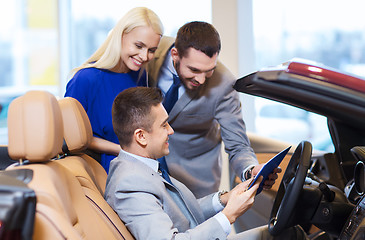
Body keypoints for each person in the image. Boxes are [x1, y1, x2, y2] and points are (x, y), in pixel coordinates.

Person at [105, 86, 307, 240]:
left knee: (290, 233)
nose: (171, 131)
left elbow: (182, 212)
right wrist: (228, 215)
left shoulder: (140, 167)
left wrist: (226, 198)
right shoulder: (130, 184)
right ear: (141, 136)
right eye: (164, 125)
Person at [147, 21, 277, 198]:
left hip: (195, 181)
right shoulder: (151, 52)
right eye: (194, 70)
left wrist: (251, 169)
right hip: (146, 170)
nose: (201, 80)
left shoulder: (224, 85)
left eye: (209, 71)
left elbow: (237, 144)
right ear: (175, 54)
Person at [64, 7, 163, 173]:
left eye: (151, 50)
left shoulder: (141, 76)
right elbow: (71, 138)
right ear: (121, 36)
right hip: (102, 174)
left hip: (139, 170)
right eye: (138, 46)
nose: (145, 56)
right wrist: (123, 150)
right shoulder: (85, 79)